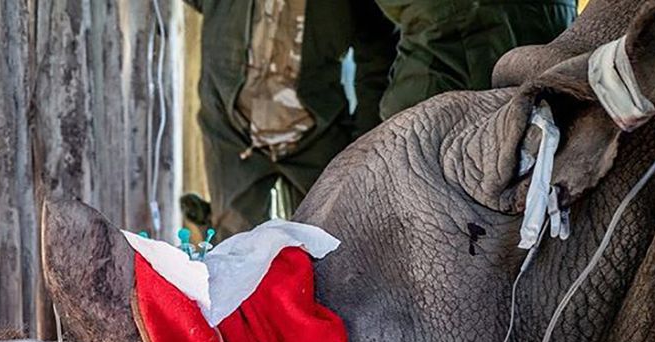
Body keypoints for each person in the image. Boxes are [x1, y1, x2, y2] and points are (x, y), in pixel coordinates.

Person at [187, 0, 576, 236]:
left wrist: (363, 136)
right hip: (233, 132)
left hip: (317, 132)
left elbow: (378, 54)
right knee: (234, 245)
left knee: (322, 244)